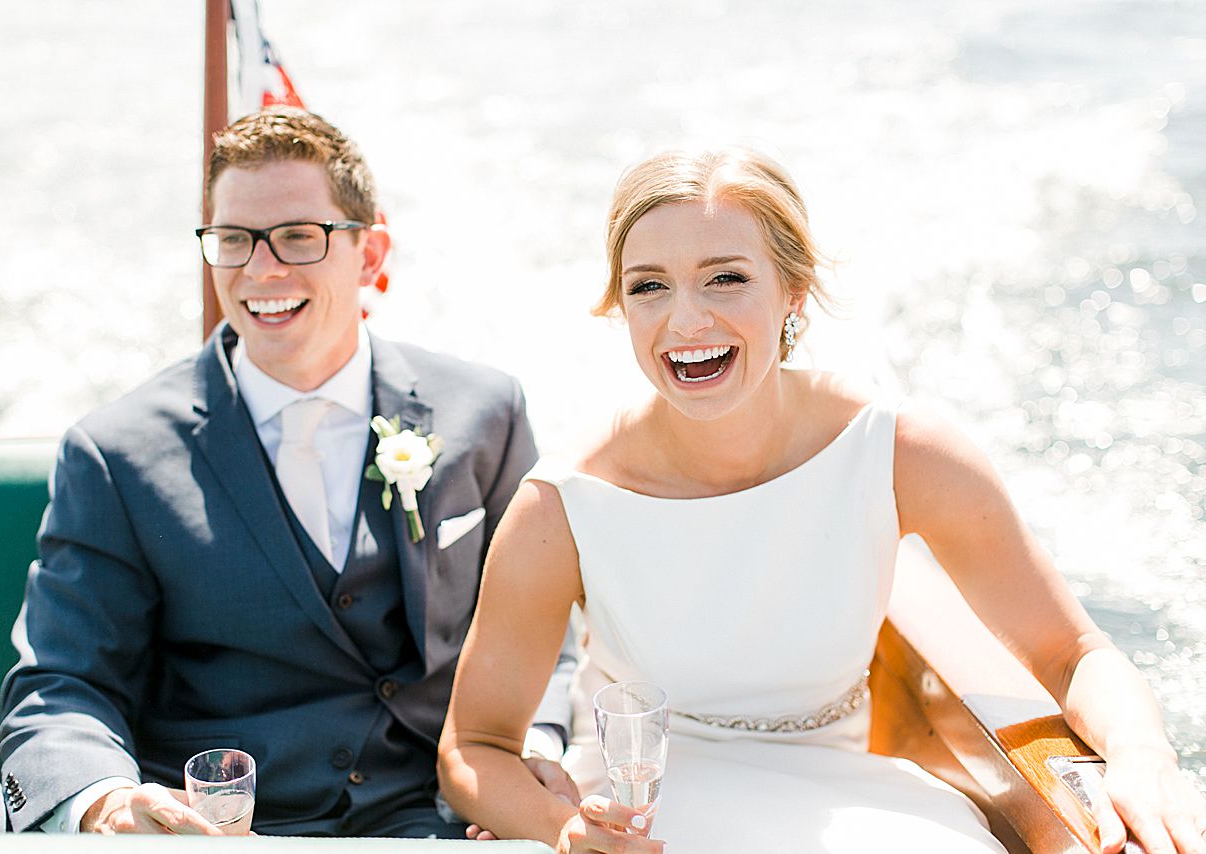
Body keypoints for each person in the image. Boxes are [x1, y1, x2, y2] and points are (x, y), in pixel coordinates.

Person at [437, 147, 1206, 853]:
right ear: (623, 307)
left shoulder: (904, 454)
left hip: (853, 794)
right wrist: (567, 830)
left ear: (792, 292)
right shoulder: (564, 504)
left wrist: (1142, 758)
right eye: (649, 288)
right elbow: (474, 748)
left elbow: (1071, 653)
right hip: (649, 810)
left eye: (726, 277)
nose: (685, 320)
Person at [0, 107, 577, 837]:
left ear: (370, 254)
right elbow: (61, 683)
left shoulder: (486, 411)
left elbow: (545, 630)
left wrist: (523, 752)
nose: (261, 270)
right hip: (225, 834)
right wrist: (108, 805)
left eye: (300, 237)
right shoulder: (115, 454)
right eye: (234, 240)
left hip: (447, 820)